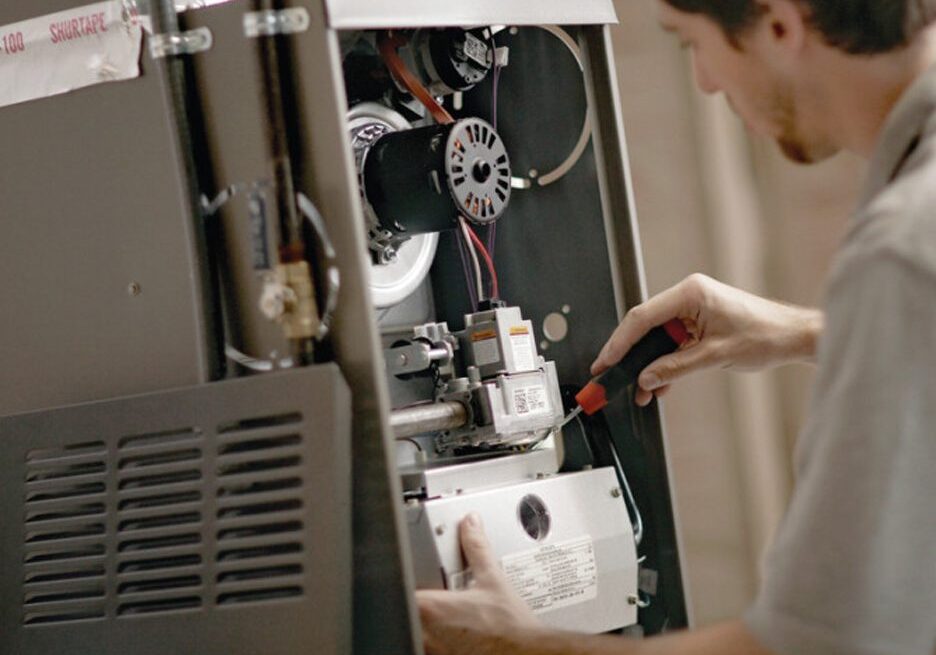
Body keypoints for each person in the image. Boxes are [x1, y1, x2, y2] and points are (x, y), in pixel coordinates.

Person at [417, 1, 936, 654]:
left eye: (692, 43)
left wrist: (508, 644)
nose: (706, 82)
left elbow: (809, 646)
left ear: (780, 25)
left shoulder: (901, 249)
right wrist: (810, 332)